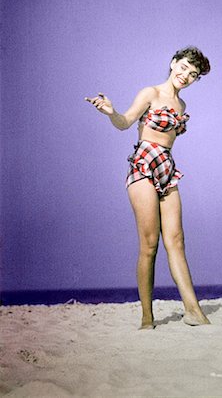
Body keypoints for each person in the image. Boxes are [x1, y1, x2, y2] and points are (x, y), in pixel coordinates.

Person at [85, 46, 211, 329]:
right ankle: (147, 317)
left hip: (167, 167)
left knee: (176, 240)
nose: (186, 76)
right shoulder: (150, 93)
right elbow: (125, 122)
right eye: (183, 68)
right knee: (150, 244)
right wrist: (110, 111)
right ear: (172, 63)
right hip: (143, 165)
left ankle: (193, 311)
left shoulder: (182, 106)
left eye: (193, 75)